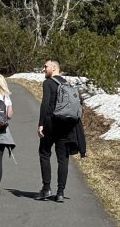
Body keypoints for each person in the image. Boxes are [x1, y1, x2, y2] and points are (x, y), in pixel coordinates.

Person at [37, 59, 86, 202]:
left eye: (46, 66)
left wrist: (41, 124)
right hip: (66, 125)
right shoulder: (67, 83)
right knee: (63, 158)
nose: (44, 69)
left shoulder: (48, 83)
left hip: (51, 123)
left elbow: (45, 104)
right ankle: (60, 192)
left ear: (54, 67)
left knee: (44, 153)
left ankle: (46, 189)